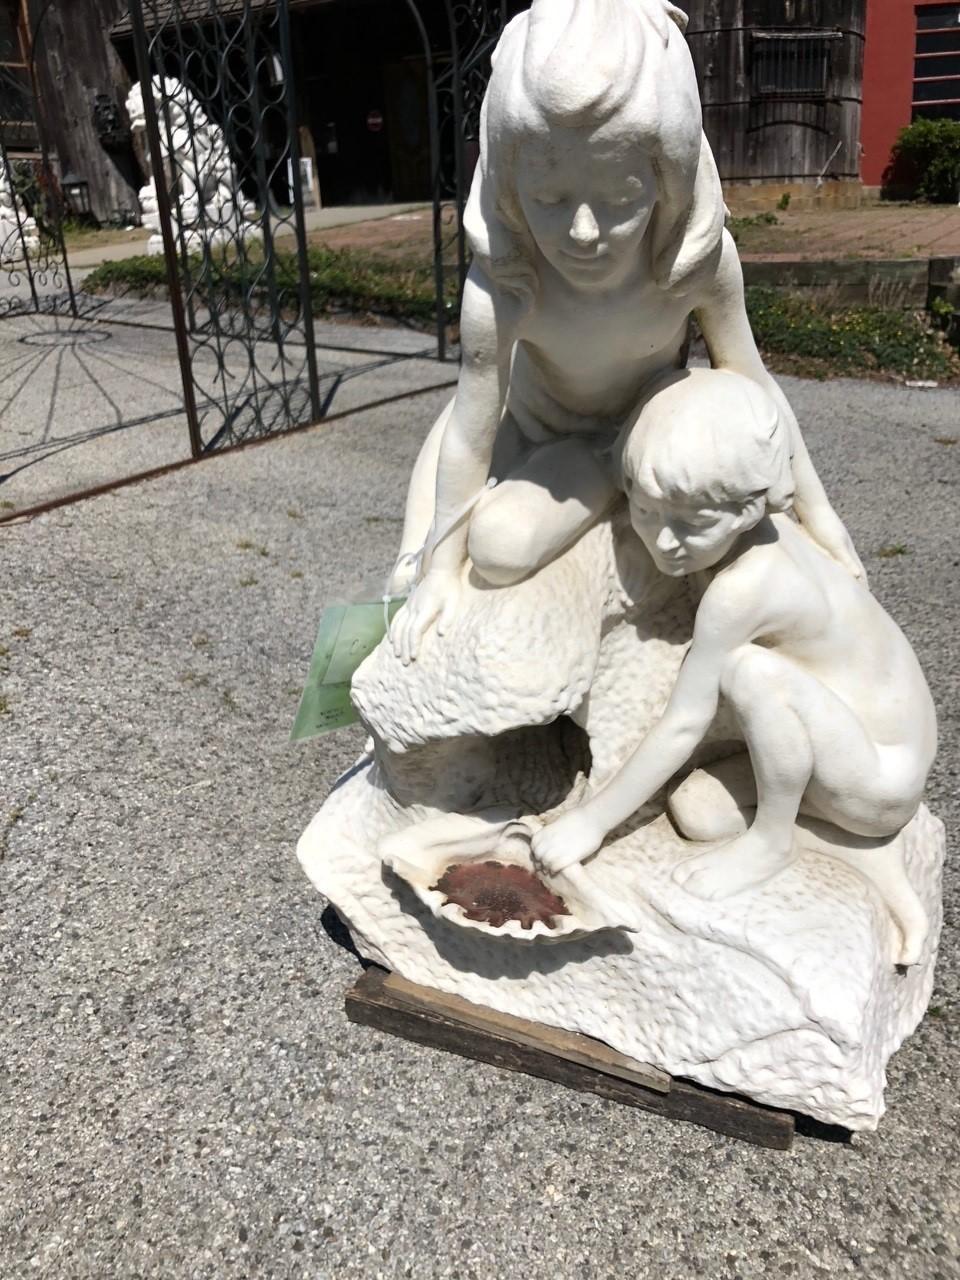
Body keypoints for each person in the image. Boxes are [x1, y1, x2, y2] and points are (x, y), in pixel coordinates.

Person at [388, 0, 862, 665]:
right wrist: (432, 568)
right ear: (505, 182)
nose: (583, 232)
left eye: (618, 200)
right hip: (550, 434)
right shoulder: (509, 282)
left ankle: (631, 478)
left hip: (652, 424)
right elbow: (471, 420)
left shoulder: (694, 261)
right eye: (549, 200)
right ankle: (595, 488)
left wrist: (822, 518)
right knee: (495, 544)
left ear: (666, 179)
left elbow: (750, 378)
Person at [529, 369, 937, 943]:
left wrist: (590, 824)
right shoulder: (762, 532)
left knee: (750, 672)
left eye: (692, 524)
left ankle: (772, 843)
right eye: (646, 512)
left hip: (881, 774)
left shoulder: (742, 590)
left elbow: (685, 722)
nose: (665, 541)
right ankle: (834, 844)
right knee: (697, 812)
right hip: (853, 739)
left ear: (749, 508)